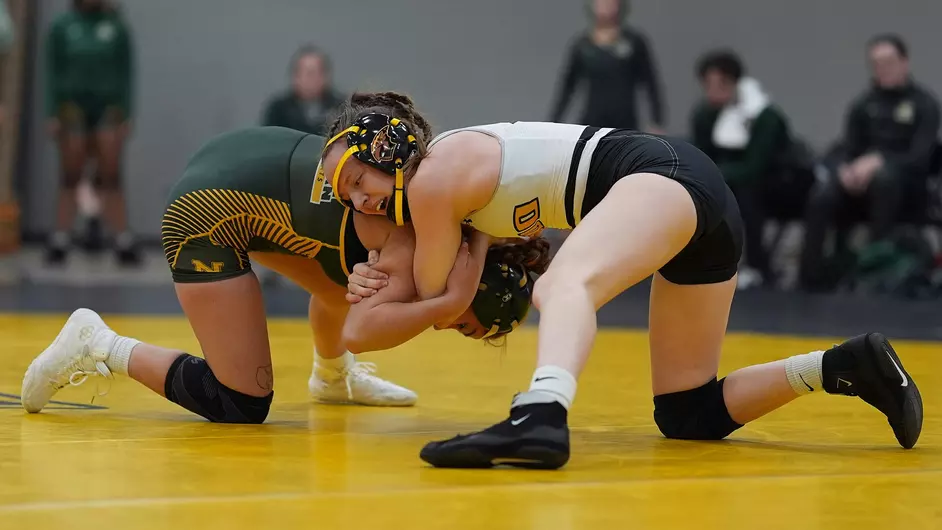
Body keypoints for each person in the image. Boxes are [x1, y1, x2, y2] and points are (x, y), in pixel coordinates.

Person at [326, 91, 923, 469]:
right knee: (690, 414)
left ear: (388, 148)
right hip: (695, 198)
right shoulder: (443, 192)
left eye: (357, 183)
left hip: (660, 176)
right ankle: (842, 366)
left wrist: (376, 278)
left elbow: (432, 289)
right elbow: (415, 291)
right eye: (345, 195)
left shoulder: (430, 183)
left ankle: (540, 414)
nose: (359, 204)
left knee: (560, 287)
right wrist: (382, 277)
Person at [20, 125, 539, 423]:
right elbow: (361, 329)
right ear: (475, 288)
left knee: (344, 280)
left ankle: (333, 378)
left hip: (243, 161)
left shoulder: (443, 210)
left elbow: (341, 298)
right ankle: (98, 342)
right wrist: (443, 304)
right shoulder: (412, 254)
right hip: (207, 212)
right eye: (467, 325)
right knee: (242, 402)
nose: (450, 330)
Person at [799, 34, 941, 291]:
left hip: (906, 186)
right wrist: (846, 170)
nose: (882, 69)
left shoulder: (924, 104)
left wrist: (880, 161)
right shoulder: (864, 104)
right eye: (876, 63)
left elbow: (920, 158)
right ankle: (810, 277)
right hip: (860, 183)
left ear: (904, 62)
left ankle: (875, 272)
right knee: (822, 194)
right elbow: (848, 148)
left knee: (884, 180)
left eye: (888, 61)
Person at [45, 0, 138, 264]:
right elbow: (52, 71)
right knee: (70, 174)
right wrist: (51, 111)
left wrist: (126, 112)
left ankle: (122, 240)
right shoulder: (63, 26)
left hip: (108, 107)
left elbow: (126, 72)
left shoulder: (116, 27)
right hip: (72, 106)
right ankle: (60, 238)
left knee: (111, 174)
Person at [690, 50, 792, 289]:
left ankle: (757, 265)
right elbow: (700, 153)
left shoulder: (765, 116)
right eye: (708, 85)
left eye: (720, 85)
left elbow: (757, 165)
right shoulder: (705, 115)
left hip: (773, 184)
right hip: (729, 180)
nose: (713, 91)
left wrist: (716, 174)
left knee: (745, 195)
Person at [549, 0, 665, 132]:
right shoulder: (582, 45)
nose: (606, 6)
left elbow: (651, 84)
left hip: (625, 121)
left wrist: (657, 121)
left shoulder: (634, 42)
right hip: (593, 120)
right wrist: (553, 123)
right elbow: (567, 88)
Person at [262, 45, 345, 136]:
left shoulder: (342, 109)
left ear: (326, 76)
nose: (310, 79)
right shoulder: (279, 110)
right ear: (295, 76)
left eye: (314, 72)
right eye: (306, 73)